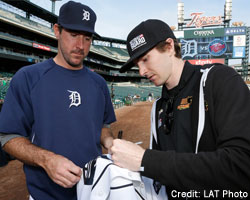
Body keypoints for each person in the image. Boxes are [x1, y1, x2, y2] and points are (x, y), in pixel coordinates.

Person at [110, 19, 250, 198]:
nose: (141, 72)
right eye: (137, 64)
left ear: (169, 47)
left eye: (145, 59)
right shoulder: (158, 107)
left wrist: (146, 160)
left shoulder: (220, 80)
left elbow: (241, 166)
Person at [0, 1, 116, 200]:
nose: (80, 45)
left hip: (94, 193)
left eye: (87, 38)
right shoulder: (28, 77)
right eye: (73, 35)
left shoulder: (99, 83)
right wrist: (47, 160)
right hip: (46, 195)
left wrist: (109, 141)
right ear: (57, 31)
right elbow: (7, 137)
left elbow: (102, 125)